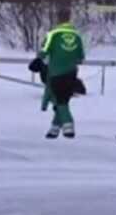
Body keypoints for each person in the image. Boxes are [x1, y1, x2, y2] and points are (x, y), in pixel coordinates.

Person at [31, 11, 85, 139]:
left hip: (56, 72)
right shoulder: (77, 36)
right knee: (63, 100)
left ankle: (68, 125)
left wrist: (41, 60)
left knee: (60, 101)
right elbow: (80, 57)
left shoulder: (52, 34)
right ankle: (54, 129)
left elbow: (44, 52)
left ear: (57, 21)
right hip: (72, 73)